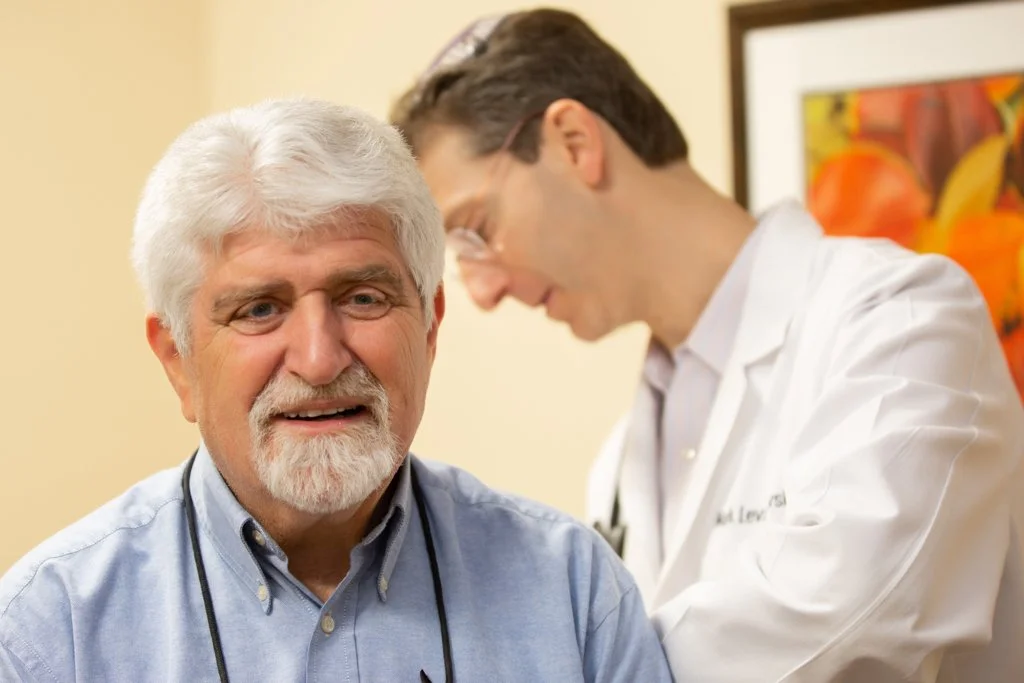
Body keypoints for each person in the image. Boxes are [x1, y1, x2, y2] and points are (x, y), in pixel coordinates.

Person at [390, 8, 1024, 682]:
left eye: (476, 230)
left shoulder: (901, 322)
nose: (483, 291)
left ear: (575, 142)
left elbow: (858, 621)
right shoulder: (619, 466)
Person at [0, 97, 674, 683]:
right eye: (259, 309)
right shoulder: (51, 632)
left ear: (429, 328)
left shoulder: (573, 595)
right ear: (178, 360)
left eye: (363, 297)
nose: (320, 360)